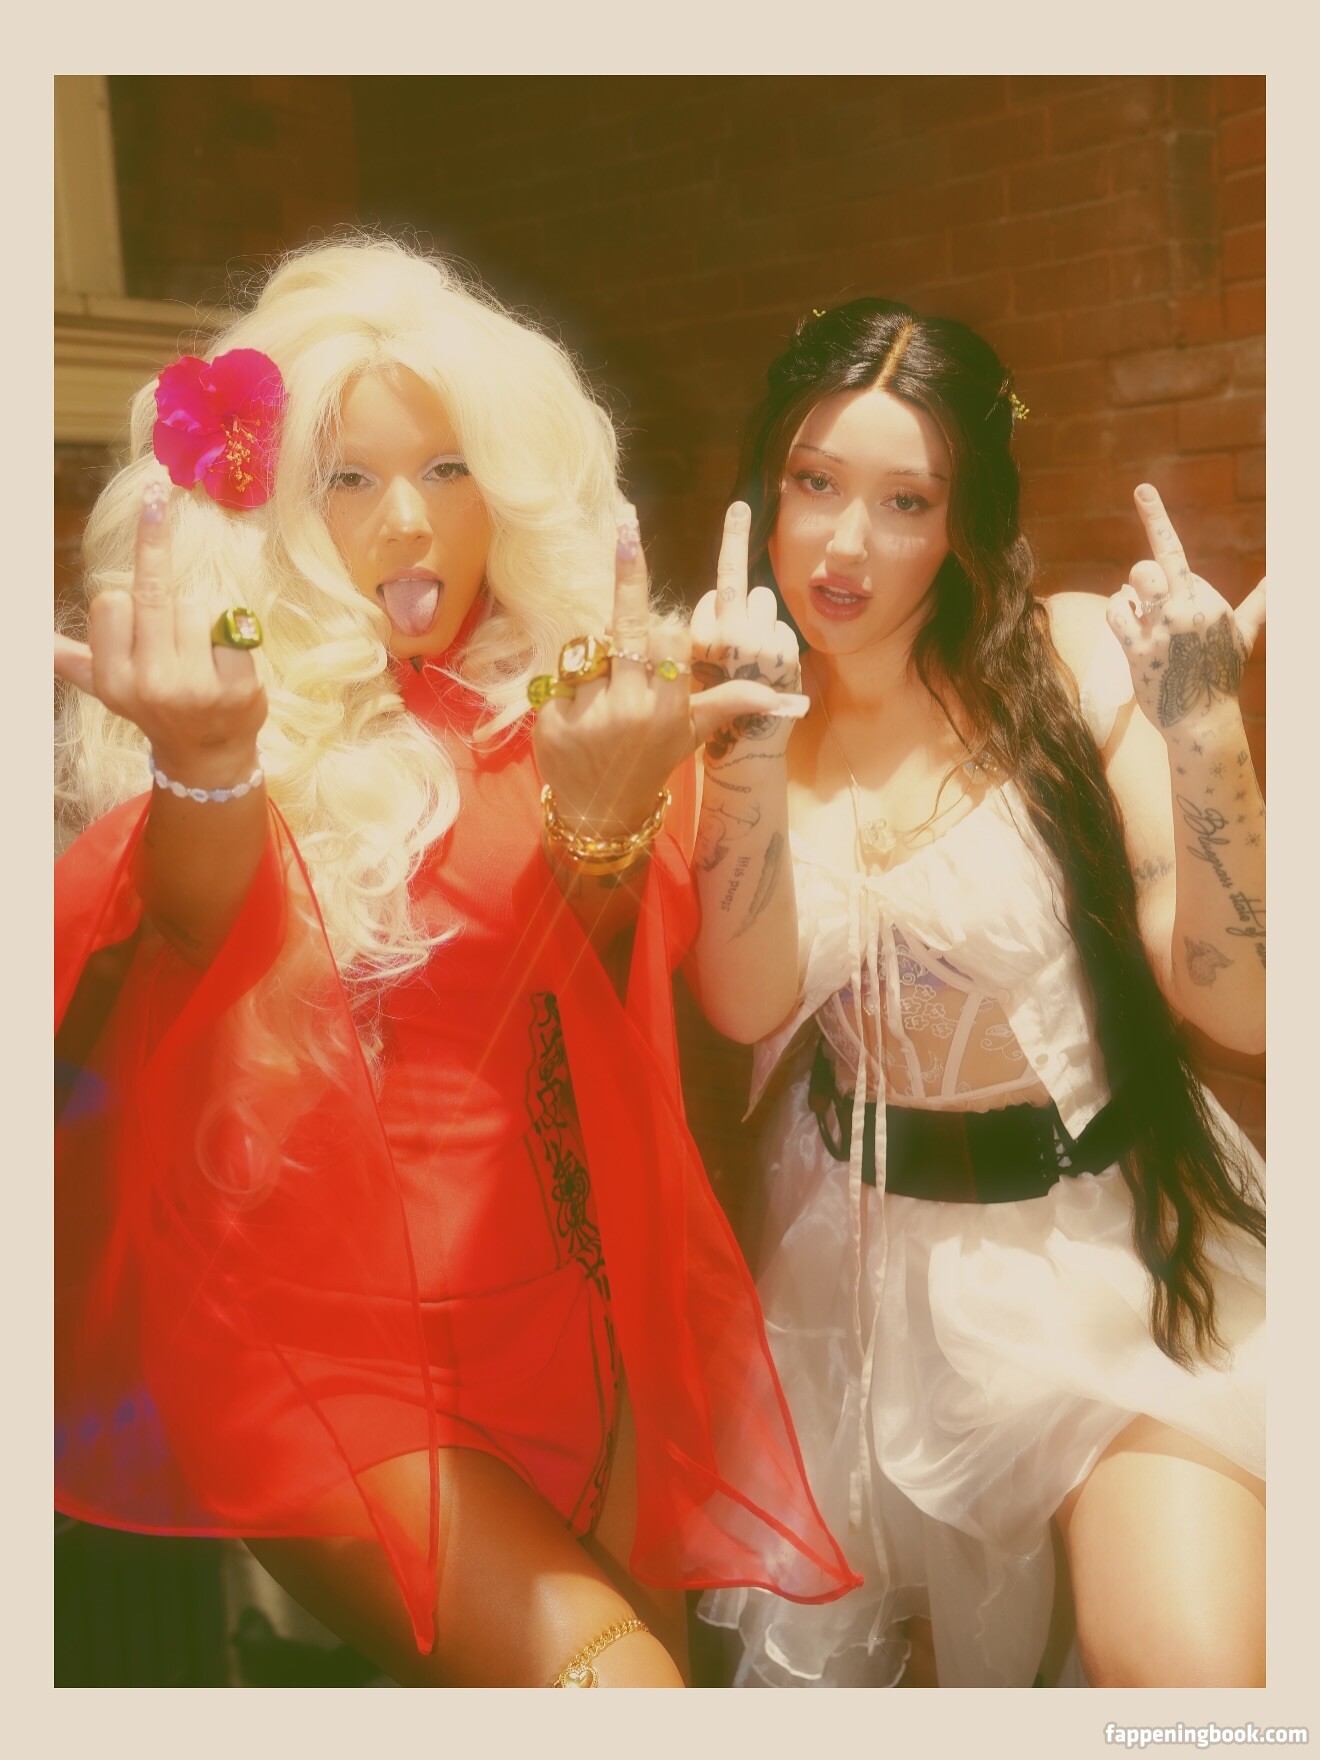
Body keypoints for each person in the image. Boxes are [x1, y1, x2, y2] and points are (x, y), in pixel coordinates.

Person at [53, 237, 854, 1689]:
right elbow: (194, 925)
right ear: (273, 508)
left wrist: (609, 820)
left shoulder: (573, 705)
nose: (411, 521)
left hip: (575, 1318)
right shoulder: (243, 721)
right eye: (350, 479)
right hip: (326, 1355)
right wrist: (208, 763)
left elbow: (620, 983)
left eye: (448, 468)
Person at [686, 299, 1266, 1688]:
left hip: (1109, 1248)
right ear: (770, 486)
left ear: (962, 524)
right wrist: (744, 755)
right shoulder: (735, 715)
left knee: (1187, 1673)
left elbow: (1244, 1009)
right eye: (815, 483)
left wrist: (1205, 731)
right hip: (861, 1281)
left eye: (906, 500)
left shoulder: (1066, 661)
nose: (844, 544)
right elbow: (747, 1006)